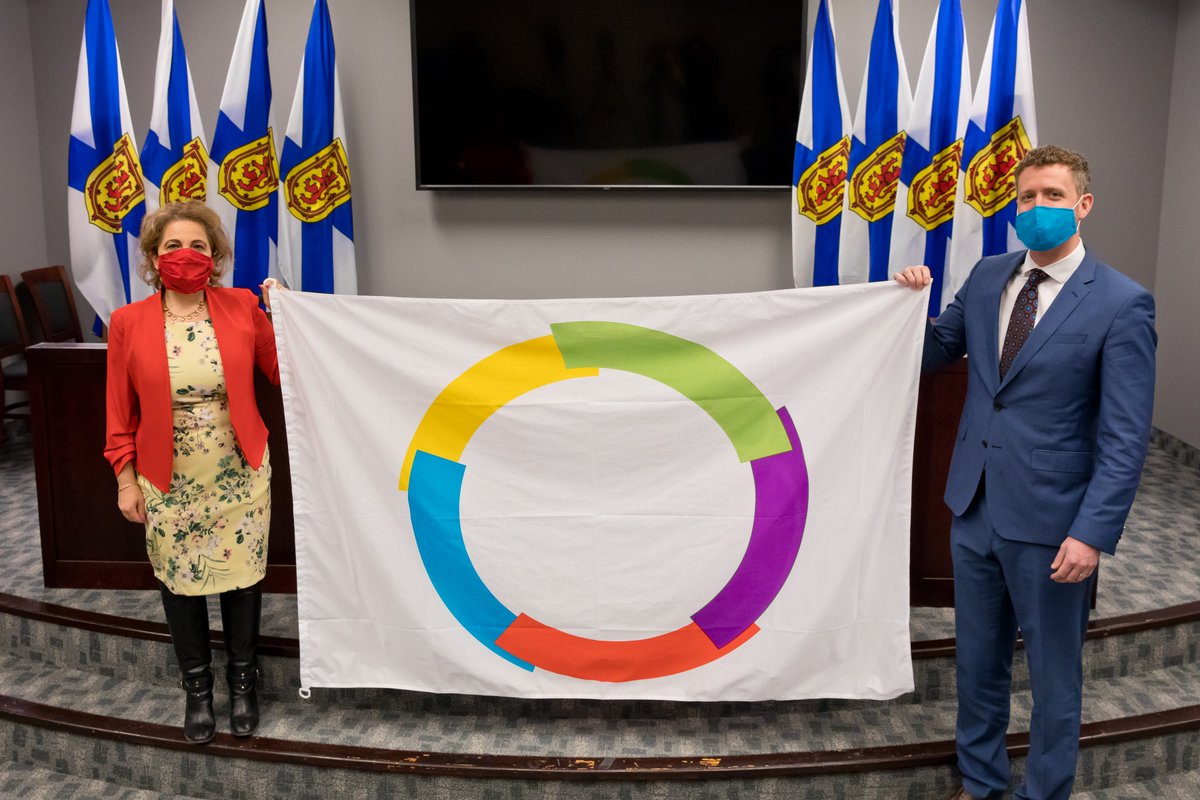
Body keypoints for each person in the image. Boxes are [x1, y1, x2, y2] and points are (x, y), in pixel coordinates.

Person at [894, 145, 1156, 800]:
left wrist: (1092, 533)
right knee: (977, 667)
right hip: (974, 509)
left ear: (1083, 206)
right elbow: (933, 351)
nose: (1037, 208)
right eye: (1028, 197)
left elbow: (1125, 437)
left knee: (1053, 679)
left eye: (1053, 196)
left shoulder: (1123, 304)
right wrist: (904, 307)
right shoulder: (987, 277)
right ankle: (981, 786)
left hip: (1054, 525)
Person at [105, 200, 281, 744]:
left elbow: (287, 372)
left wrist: (283, 313)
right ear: (154, 258)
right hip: (167, 479)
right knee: (181, 587)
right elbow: (118, 411)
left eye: (198, 246)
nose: (186, 255)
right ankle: (198, 691)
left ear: (216, 256)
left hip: (240, 474)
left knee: (242, 583)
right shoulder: (127, 322)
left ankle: (244, 684)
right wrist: (125, 478)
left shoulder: (241, 308)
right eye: (173, 246)